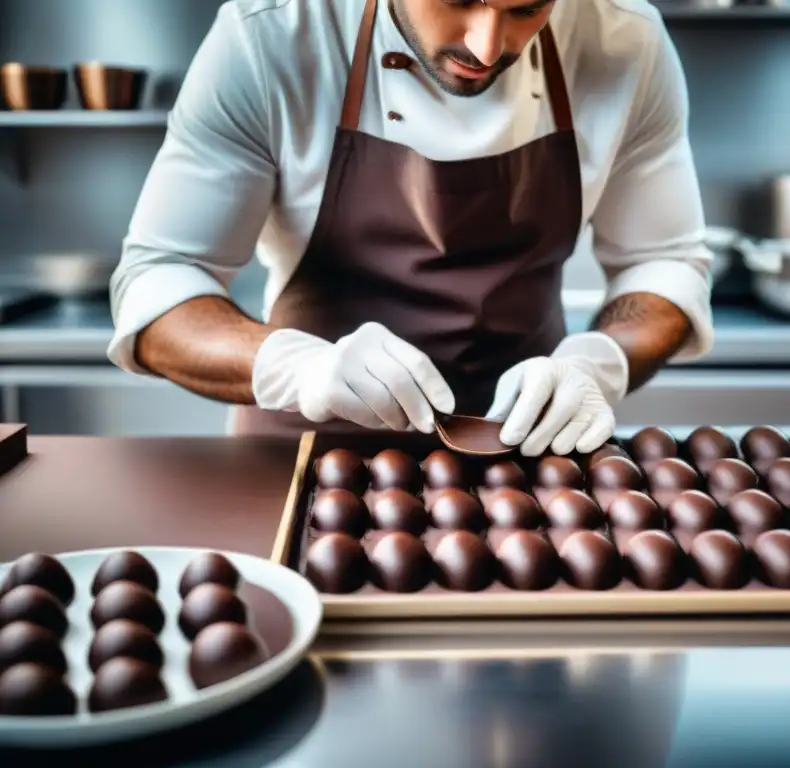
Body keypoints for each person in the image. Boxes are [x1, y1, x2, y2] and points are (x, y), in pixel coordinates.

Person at [107, 0, 715, 456]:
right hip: (302, 456)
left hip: (530, 453)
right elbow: (159, 283)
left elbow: (664, 262)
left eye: (527, 9)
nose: (485, 46)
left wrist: (596, 363)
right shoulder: (271, 37)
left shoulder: (625, 39)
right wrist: (299, 369)